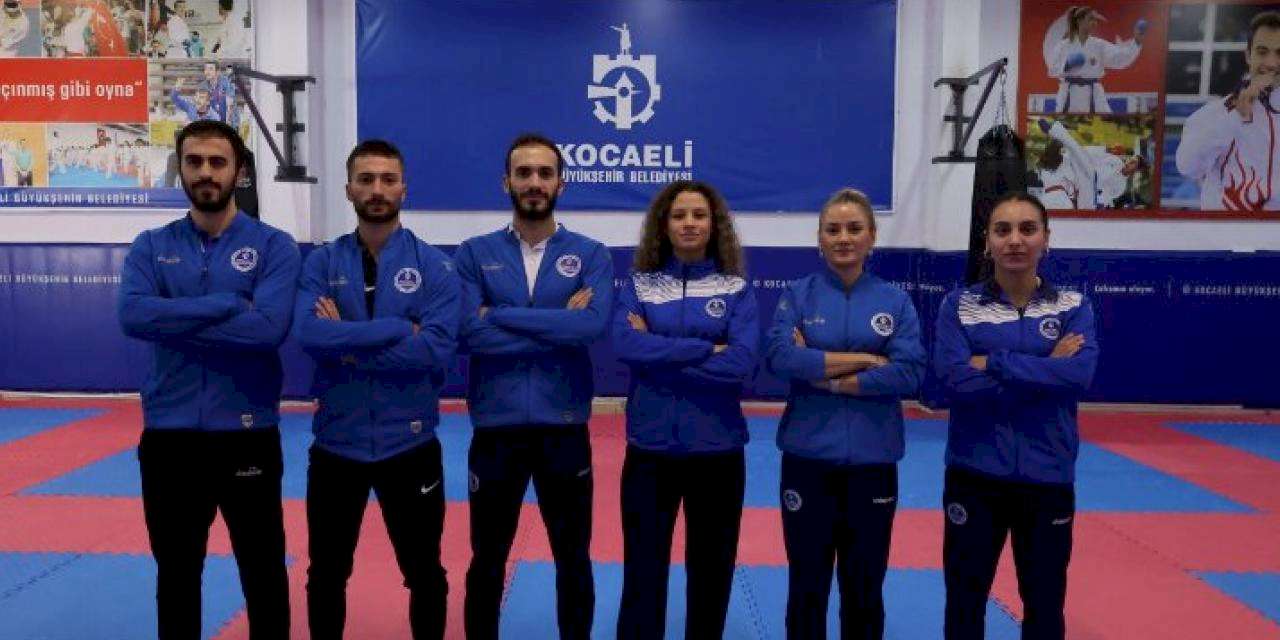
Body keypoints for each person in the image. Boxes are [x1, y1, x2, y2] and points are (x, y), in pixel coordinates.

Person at [116, 120, 299, 640]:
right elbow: (133, 316)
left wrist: (173, 318)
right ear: (181, 169)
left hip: (247, 434)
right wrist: (225, 304)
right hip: (170, 438)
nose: (205, 172)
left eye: (217, 162)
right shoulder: (152, 245)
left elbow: (267, 329)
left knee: (263, 572)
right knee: (176, 574)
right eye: (194, 161)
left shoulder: (274, 246)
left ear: (238, 172)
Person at [294, 140, 459, 640]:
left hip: (409, 444)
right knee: (326, 573)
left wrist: (344, 344)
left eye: (388, 179)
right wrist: (398, 330)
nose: (377, 189)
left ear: (404, 188)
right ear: (349, 190)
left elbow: (434, 350)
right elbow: (309, 335)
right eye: (366, 179)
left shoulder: (434, 266)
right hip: (336, 445)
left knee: (425, 572)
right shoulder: (322, 263)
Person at [455, 133, 613, 640]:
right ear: (507, 182)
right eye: (523, 173)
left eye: (545, 173)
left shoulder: (591, 254)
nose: (534, 182)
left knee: (573, 556)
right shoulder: (474, 254)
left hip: (563, 430)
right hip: (495, 429)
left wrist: (499, 315)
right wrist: (557, 324)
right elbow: (468, 332)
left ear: (561, 183)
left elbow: (590, 327)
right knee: (487, 557)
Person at [934, 192, 1098, 640]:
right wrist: (1047, 365)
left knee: (1044, 603)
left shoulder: (1073, 306)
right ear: (987, 241)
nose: (1015, 240)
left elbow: (1078, 374)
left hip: (1047, 476)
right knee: (964, 601)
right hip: (975, 474)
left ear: (1046, 239)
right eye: (1002, 230)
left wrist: (993, 362)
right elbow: (955, 381)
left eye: (1027, 229)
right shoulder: (958, 306)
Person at [765, 188, 925, 640]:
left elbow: (909, 372)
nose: (843, 238)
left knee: (865, 587)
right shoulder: (798, 295)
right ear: (819, 238)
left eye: (854, 228)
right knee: (806, 584)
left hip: (873, 462)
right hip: (807, 460)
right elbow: (780, 357)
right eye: (832, 229)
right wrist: (870, 361)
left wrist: (824, 373)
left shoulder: (895, 301)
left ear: (871, 236)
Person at [611, 180, 759, 639]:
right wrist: (705, 349)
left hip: (718, 450)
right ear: (664, 224)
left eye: (699, 215)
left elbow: (740, 363)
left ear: (714, 225)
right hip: (650, 449)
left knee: (712, 570)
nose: (689, 223)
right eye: (679, 215)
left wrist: (657, 352)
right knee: (643, 569)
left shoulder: (735, 288)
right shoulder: (641, 284)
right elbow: (625, 345)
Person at [1176, 11, 1280, 211]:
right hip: (1228, 228)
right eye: (1262, 52)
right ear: (1248, 55)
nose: (1271, 63)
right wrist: (1234, 115)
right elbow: (1188, 167)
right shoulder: (1215, 113)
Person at [1047, 6, 1145, 114]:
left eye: (1095, 20)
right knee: (1068, 123)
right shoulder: (1063, 45)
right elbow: (1052, 70)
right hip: (1069, 93)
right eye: (1091, 19)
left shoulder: (1099, 45)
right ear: (1079, 21)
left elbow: (1120, 58)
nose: (1094, 22)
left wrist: (1137, 42)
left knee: (1106, 121)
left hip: (1094, 93)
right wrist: (1066, 66)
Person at [1036, 118, 1145, 209]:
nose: (1129, 161)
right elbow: (1092, 154)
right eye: (1131, 159)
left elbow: (1106, 197)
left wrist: (1100, 203)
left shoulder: (1121, 186)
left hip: (1091, 191)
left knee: (1085, 201)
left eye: (1133, 163)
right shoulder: (1115, 161)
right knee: (1078, 152)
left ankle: (1057, 133)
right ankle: (1053, 131)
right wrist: (1106, 149)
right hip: (1085, 171)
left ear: (1135, 170)